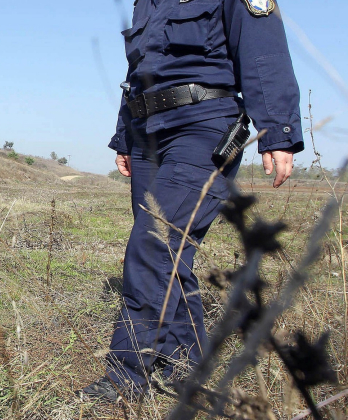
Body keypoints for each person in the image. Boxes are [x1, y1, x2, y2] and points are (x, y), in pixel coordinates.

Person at [81, 0, 303, 402]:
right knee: (169, 255)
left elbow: (262, 48)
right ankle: (187, 366)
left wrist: (278, 132)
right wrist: (124, 136)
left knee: (153, 244)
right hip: (147, 130)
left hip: (204, 126)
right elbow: (139, 71)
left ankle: (126, 377)